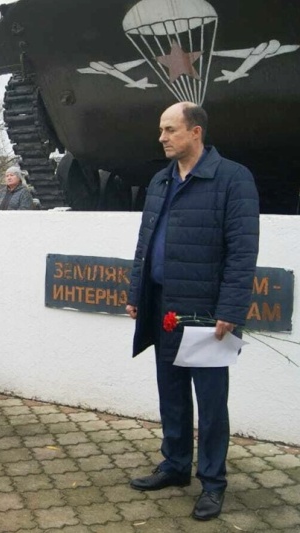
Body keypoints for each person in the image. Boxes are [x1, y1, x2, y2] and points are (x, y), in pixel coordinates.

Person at [126, 102, 259, 521]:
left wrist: (231, 308)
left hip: (206, 312)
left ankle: (213, 482)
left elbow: (243, 251)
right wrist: (137, 292)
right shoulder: (161, 180)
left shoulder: (233, 179)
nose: (162, 137)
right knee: (172, 393)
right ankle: (175, 465)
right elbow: (146, 242)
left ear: (195, 132)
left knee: (211, 402)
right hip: (164, 305)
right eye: (161, 131)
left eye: (170, 130)